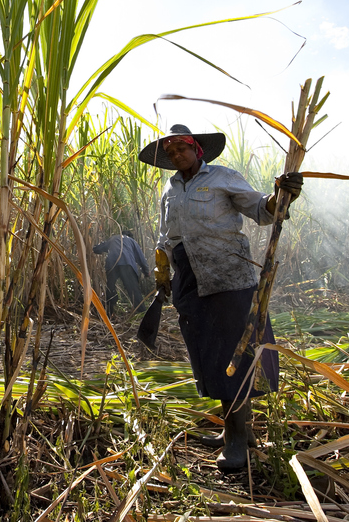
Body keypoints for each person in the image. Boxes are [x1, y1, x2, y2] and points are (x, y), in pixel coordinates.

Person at [140, 124, 303, 473]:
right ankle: (239, 430)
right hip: (189, 280)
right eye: (170, 153)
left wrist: (282, 195)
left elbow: (263, 210)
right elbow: (164, 236)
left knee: (234, 353)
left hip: (227, 274)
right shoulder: (168, 190)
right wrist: (163, 273)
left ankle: (236, 441)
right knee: (207, 353)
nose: (176, 156)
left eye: (181, 149)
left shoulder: (222, 178)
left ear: (197, 149)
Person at [93, 230, 150, 316]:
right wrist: (146, 271)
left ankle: (108, 313)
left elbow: (97, 249)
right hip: (127, 265)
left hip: (112, 265)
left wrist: (95, 248)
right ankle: (142, 313)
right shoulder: (132, 241)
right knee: (133, 290)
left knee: (110, 288)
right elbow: (140, 257)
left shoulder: (113, 239)